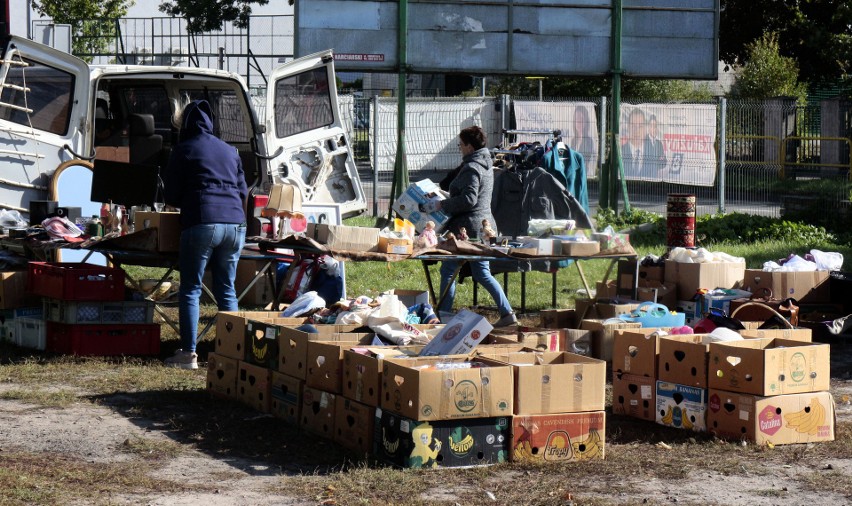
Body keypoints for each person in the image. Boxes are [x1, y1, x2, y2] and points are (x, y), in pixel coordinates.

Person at [163, 99, 248, 369]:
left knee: (190, 289)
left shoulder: (183, 149)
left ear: (185, 124)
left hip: (202, 222)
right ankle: (233, 352)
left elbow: (171, 195)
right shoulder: (231, 151)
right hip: (235, 224)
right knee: (227, 289)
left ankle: (188, 354)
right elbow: (244, 192)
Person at [419, 125, 517, 327]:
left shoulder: (472, 167)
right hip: (480, 225)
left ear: (470, 147)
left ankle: (445, 315)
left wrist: (440, 204)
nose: (459, 147)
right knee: (481, 272)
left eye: (461, 144)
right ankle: (507, 313)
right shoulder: (484, 163)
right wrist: (443, 195)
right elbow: (469, 195)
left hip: (467, 229)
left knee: (449, 270)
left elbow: (469, 199)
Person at [621, 107, 646, 178]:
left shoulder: (653, 151)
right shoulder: (620, 151)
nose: (637, 130)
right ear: (628, 127)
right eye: (633, 126)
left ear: (644, 128)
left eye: (640, 126)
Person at [642, 114, 666, 178]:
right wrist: (658, 160)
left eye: (655, 126)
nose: (654, 129)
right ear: (648, 127)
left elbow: (664, 162)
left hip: (655, 177)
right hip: (644, 177)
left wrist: (657, 163)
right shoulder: (643, 141)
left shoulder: (659, 143)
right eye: (652, 126)